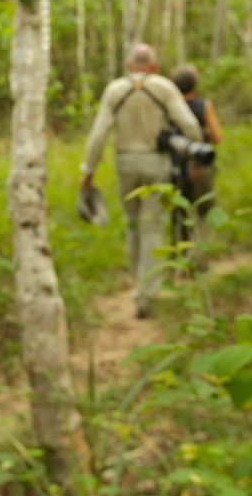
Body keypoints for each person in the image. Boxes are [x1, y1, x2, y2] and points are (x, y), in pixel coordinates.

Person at [81, 44, 204, 318]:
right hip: (156, 163)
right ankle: (147, 294)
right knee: (153, 227)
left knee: (133, 225)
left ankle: (139, 282)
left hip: (125, 162)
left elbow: (99, 133)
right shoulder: (164, 87)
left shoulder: (115, 90)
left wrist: (88, 170)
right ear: (154, 66)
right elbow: (190, 125)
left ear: (128, 65)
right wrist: (195, 154)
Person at [169, 64, 221, 247]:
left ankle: (180, 253)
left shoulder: (168, 106)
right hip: (201, 163)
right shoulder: (203, 105)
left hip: (174, 165)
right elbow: (216, 136)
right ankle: (201, 253)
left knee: (178, 212)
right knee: (203, 210)